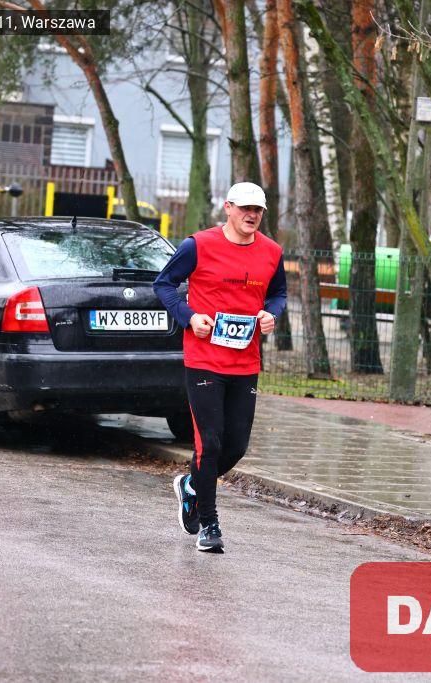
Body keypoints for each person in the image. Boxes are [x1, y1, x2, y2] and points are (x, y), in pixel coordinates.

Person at [153, 182, 287, 553]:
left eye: (258, 210)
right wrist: (189, 317)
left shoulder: (272, 252)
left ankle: (191, 485)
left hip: (245, 362)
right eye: (245, 208)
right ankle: (209, 525)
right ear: (228, 207)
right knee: (209, 443)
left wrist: (271, 314)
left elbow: (278, 293)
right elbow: (164, 284)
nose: (252, 215)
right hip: (204, 360)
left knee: (236, 446)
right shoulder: (197, 245)